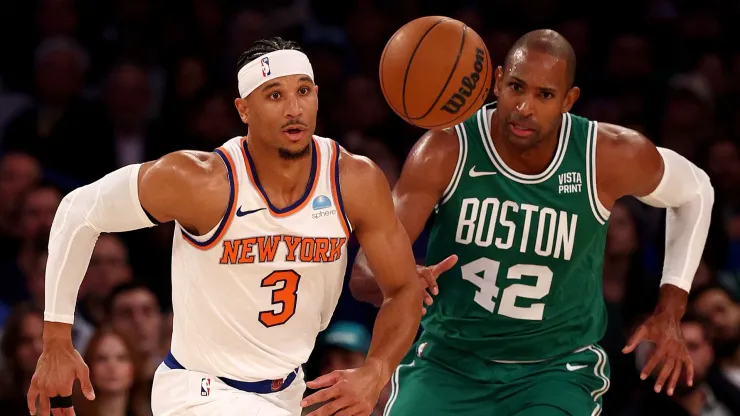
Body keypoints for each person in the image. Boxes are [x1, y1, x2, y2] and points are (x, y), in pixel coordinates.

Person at [27, 37, 426, 416]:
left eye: (304, 91)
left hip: (287, 391)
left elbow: (404, 287)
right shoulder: (199, 181)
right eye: (275, 95)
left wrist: (377, 371)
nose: (294, 108)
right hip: (198, 393)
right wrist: (57, 340)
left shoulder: (353, 180)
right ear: (243, 110)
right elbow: (76, 211)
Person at [350, 29, 714, 415]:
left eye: (544, 95)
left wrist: (671, 309)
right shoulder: (445, 149)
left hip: (555, 370)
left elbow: (696, 191)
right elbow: (364, 271)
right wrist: (400, 278)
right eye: (516, 87)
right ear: (497, 82)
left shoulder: (607, 155)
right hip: (448, 362)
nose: (524, 107)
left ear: (568, 101)